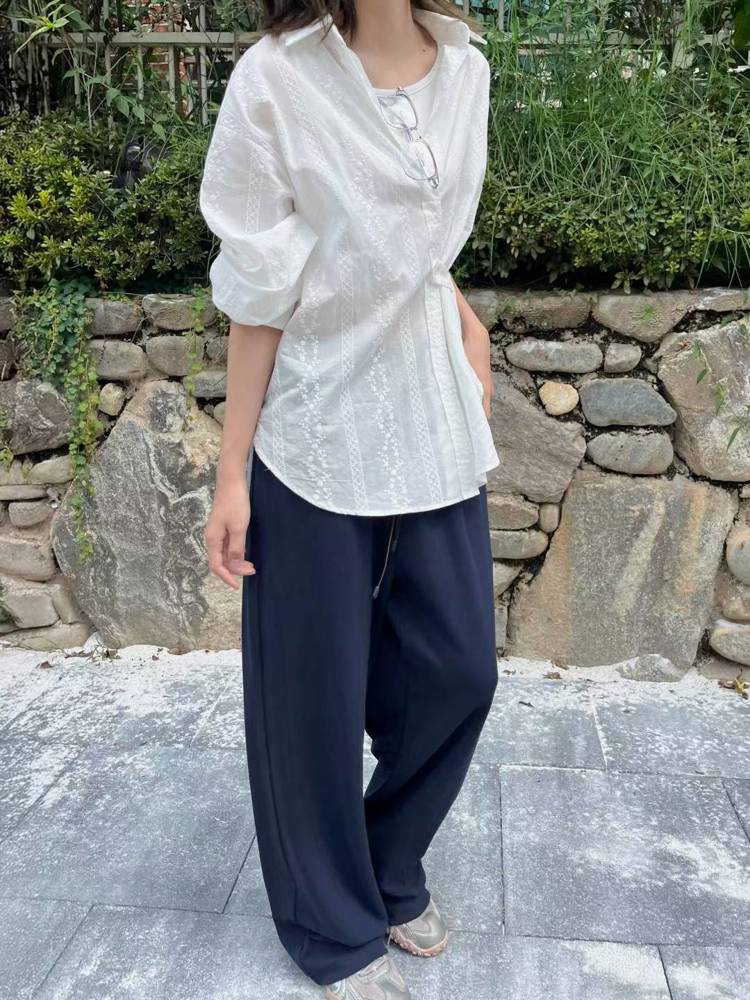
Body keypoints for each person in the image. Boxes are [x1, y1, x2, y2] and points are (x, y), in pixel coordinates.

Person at [199, 2, 500, 996]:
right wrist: (233, 472)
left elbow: (414, 236)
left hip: (429, 413)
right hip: (314, 427)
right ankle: (333, 927)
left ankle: (385, 858)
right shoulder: (277, 78)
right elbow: (261, 291)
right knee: (311, 699)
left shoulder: (464, 71)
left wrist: (463, 315)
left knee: (459, 668)